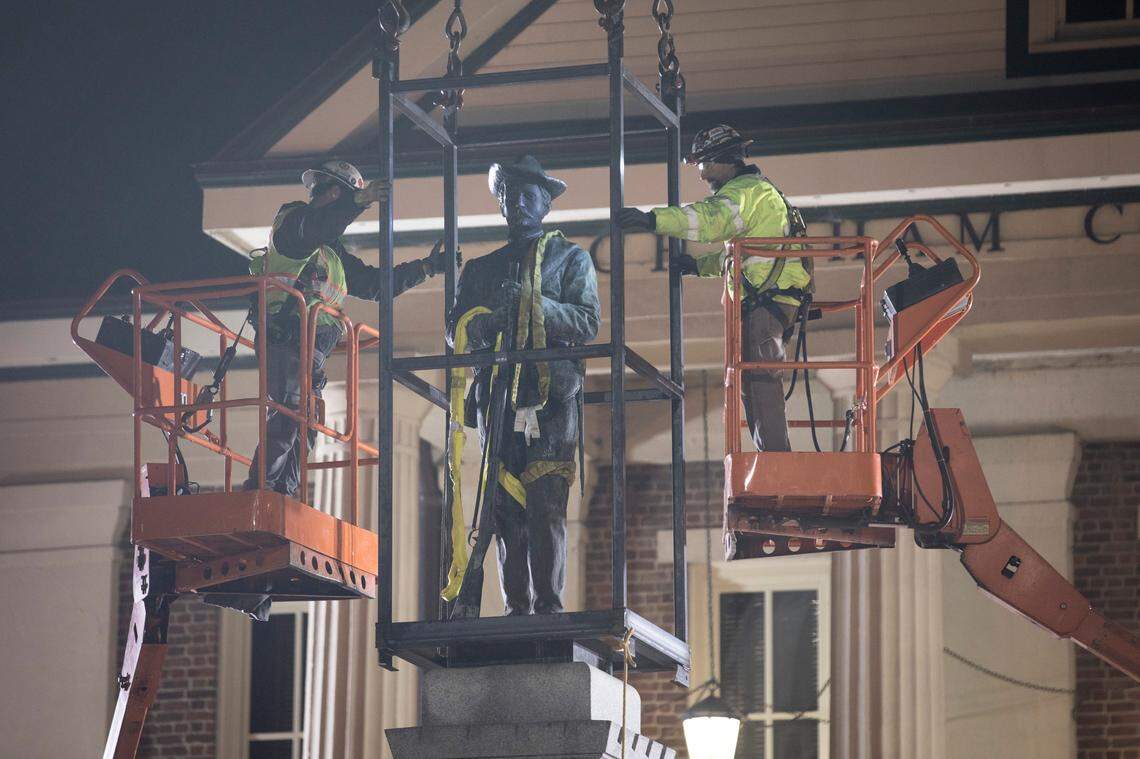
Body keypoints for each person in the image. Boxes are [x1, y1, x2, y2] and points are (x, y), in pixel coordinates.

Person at [244, 159, 456, 496]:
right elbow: (317, 226)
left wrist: (427, 267)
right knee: (287, 418)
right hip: (285, 339)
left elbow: (375, 284)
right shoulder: (292, 226)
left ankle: (284, 497)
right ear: (332, 194)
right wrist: (359, 200)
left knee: (308, 426)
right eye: (345, 200)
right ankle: (259, 492)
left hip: (311, 350)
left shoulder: (331, 254)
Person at [446, 155, 600, 615]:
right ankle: (515, 607)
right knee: (503, 509)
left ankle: (548, 606)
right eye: (508, 196)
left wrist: (536, 305)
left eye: (527, 195)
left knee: (546, 504)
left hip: (550, 398)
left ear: (546, 205)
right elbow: (457, 332)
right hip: (496, 399)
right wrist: (491, 320)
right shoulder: (479, 270)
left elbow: (588, 321)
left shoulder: (571, 258)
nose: (517, 204)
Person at [618, 124, 812, 453]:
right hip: (771, 301)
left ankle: (777, 462)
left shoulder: (744, 192)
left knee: (761, 382)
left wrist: (653, 220)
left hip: (766, 305)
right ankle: (772, 458)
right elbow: (745, 257)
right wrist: (700, 266)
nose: (702, 175)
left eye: (704, 165)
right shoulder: (757, 193)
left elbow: (710, 221)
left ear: (723, 159)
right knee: (754, 382)